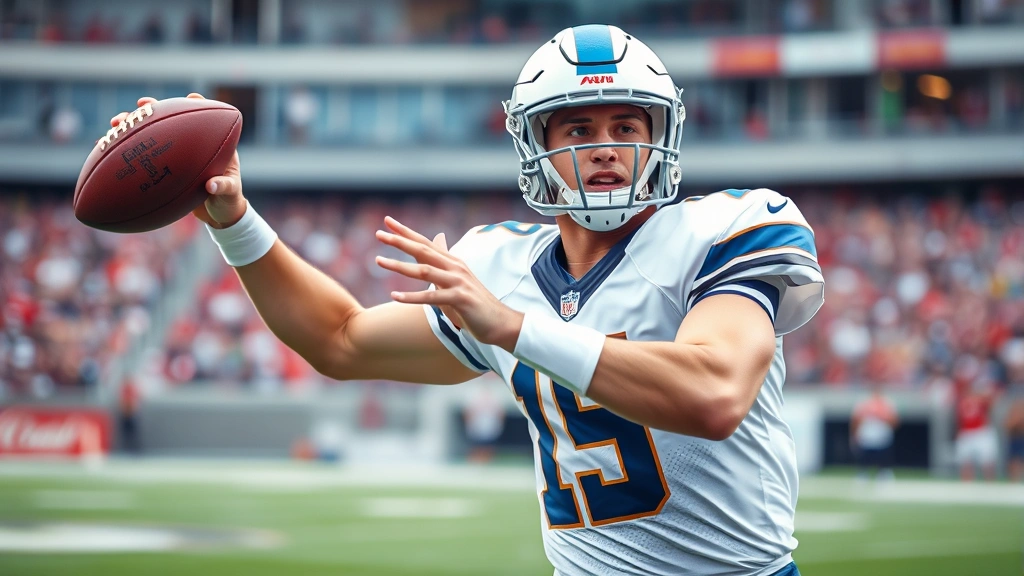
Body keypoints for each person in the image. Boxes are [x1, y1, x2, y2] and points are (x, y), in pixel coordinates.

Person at [111, 25, 823, 576]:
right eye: (579, 129)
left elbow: (715, 393)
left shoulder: (729, 227)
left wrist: (512, 328)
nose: (606, 149)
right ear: (531, 141)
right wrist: (235, 220)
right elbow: (339, 339)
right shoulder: (500, 265)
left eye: (626, 128)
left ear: (660, 137)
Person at [850, 383, 899, 482]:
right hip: (867, 434)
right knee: (864, 456)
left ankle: (883, 473)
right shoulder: (863, 402)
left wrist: (883, 417)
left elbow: (895, 420)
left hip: (882, 434)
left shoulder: (887, 403)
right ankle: (863, 474)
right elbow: (856, 419)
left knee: (883, 456)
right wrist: (854, 433)